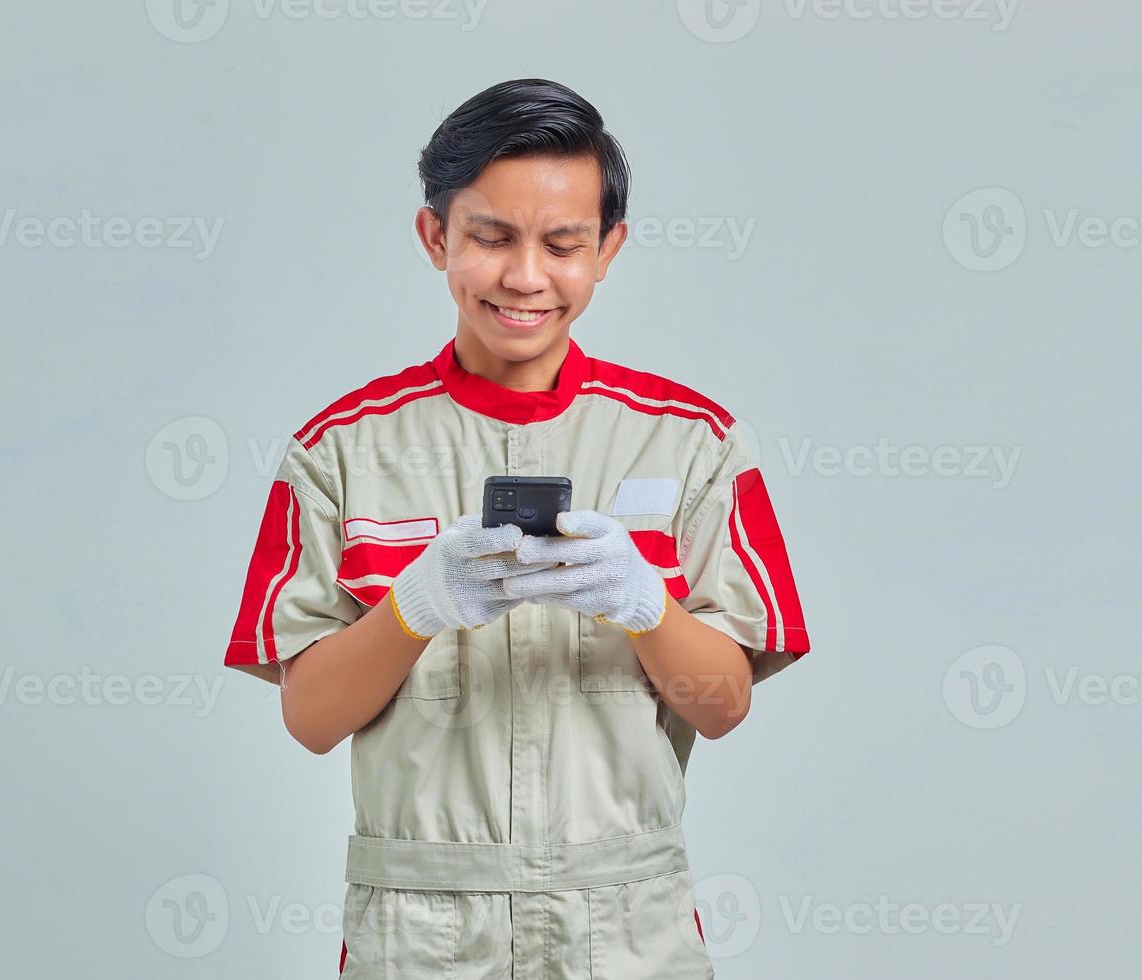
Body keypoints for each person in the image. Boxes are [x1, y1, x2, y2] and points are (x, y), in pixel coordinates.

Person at [223, 77, 810, 980]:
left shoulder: (692, 442)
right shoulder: (340, 449)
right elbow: (309, 719)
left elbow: (723, 707)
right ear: (436, 237)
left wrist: (643, 602)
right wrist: (417, 604)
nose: (526, 276)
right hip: (420, 929)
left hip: (624, 925)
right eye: (491, 237)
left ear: (608, 248)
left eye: (563, 244)